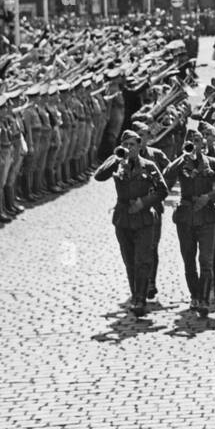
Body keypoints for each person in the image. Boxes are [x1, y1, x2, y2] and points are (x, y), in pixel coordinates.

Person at [94, 128, 169, 315]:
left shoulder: (149, 165)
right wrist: (115, 158)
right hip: (123, 218)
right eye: (125, 145)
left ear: (139, 146)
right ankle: (135, 293)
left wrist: (143, 202)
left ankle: (140, 299)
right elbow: (98, 176)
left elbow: (162, 191)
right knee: (129, 261)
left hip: (144, 218)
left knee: (142, 259)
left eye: (132, 145)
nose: (128, 148)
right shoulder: (117, 165)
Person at [162, 124, 215, 317]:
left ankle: (203, 299)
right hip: (186, 216)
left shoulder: (212, 163)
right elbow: (166, 174)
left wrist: (209, 197)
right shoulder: (181, 163)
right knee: (188, 259)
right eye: (190, 142)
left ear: (203, 143)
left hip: (208, 216)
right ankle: (194, 294)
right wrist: (181, 157)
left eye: (197, 141)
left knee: (206, 260)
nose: (194, 145)